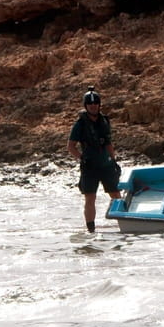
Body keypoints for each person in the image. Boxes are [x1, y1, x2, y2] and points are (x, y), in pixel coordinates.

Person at [67, 86, 121, 233]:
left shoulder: (104, 121)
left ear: (99, 105)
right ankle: (91, 230)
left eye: (95, 104)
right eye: (90, 104)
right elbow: (71, 146)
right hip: (90, 166)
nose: (93, 107)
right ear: (86, 106)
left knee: (116, 194)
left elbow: (108, 143)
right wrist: (82, 158)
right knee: (90, 198)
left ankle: (123, 223)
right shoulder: (80, 125)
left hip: (106, 164)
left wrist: (113, 161)